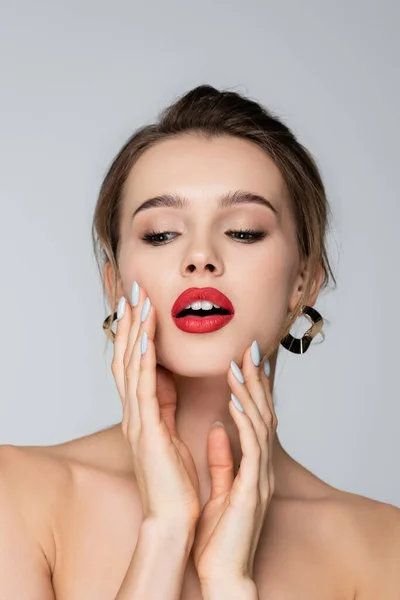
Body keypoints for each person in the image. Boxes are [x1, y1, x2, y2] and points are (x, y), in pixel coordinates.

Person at [0, 84, 399, 600]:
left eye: (244, 231)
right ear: (115, 282)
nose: (201, 258)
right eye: (162, 234)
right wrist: (164, 531)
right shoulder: (16, 494)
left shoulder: (382, 545)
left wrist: (229, 585)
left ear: (305, 279)